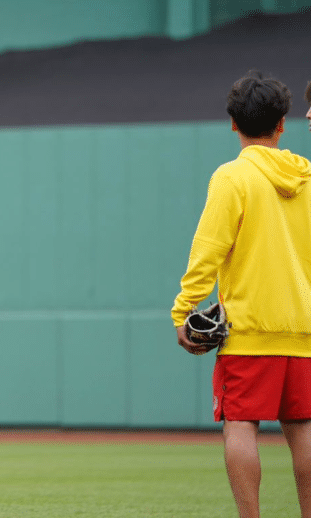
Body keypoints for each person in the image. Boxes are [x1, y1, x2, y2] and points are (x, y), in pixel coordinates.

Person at [172, 71, 311, 518]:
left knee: (240, 424)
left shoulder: (232, 177)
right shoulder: (307, 178)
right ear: (283, 123)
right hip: (304, 331)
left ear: (233, 123)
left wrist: (184, 311)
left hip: (249, 332)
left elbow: (207, 252)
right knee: (305, 428)